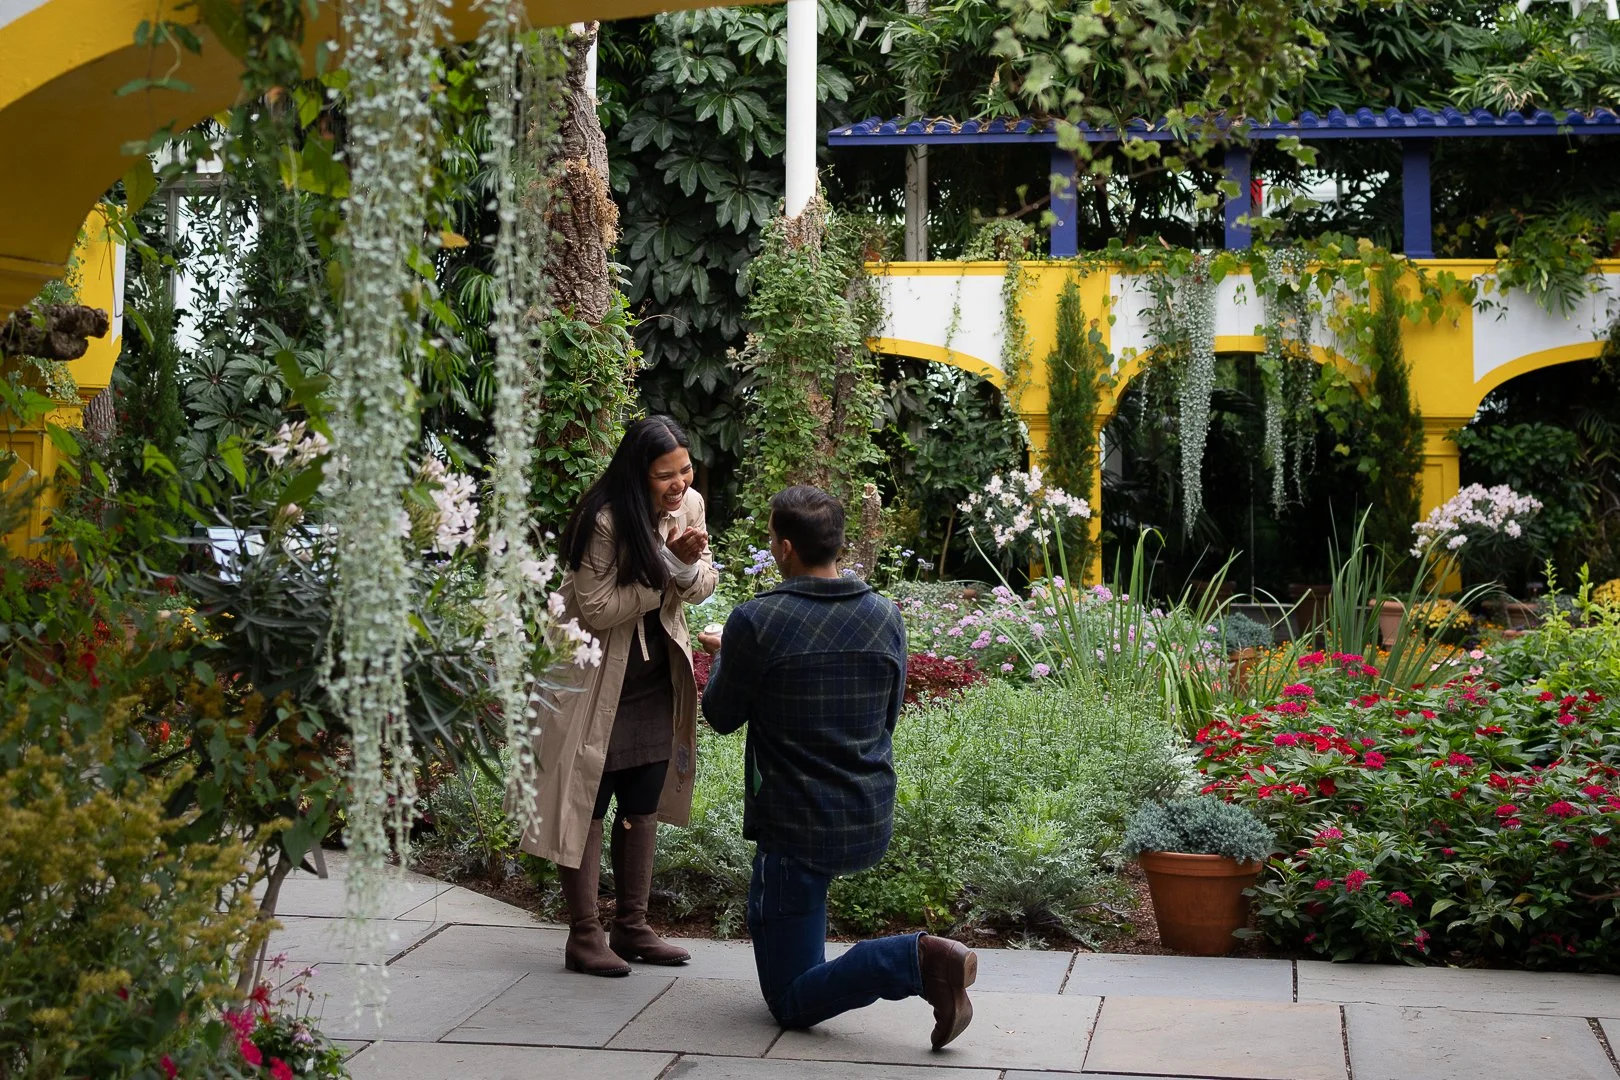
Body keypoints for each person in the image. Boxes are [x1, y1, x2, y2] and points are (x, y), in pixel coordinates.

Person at [698, 485, 977, 1049]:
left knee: (790, 1001)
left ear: (782, 547)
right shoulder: (884, 614)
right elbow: (888, 712)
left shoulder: (757, 621)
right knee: (775, 914)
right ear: (838, 543)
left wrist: (727, 651)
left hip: (795, 826)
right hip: (866, 809)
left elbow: (721, 715)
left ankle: (918, 960)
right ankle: (902, 958)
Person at [520, 415, 717, 977]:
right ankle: (584, 935)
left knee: (644, 792)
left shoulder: (690, 506)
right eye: (665, 476)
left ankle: (633, 926)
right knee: (589, 794)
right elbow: (598, 609)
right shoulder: (602, 519)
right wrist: (668, 567)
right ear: (638, 474)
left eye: (684, 470)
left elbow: (702, 582)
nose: (679, 484)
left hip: (656, 672)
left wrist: (684, 564)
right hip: (592, 677)